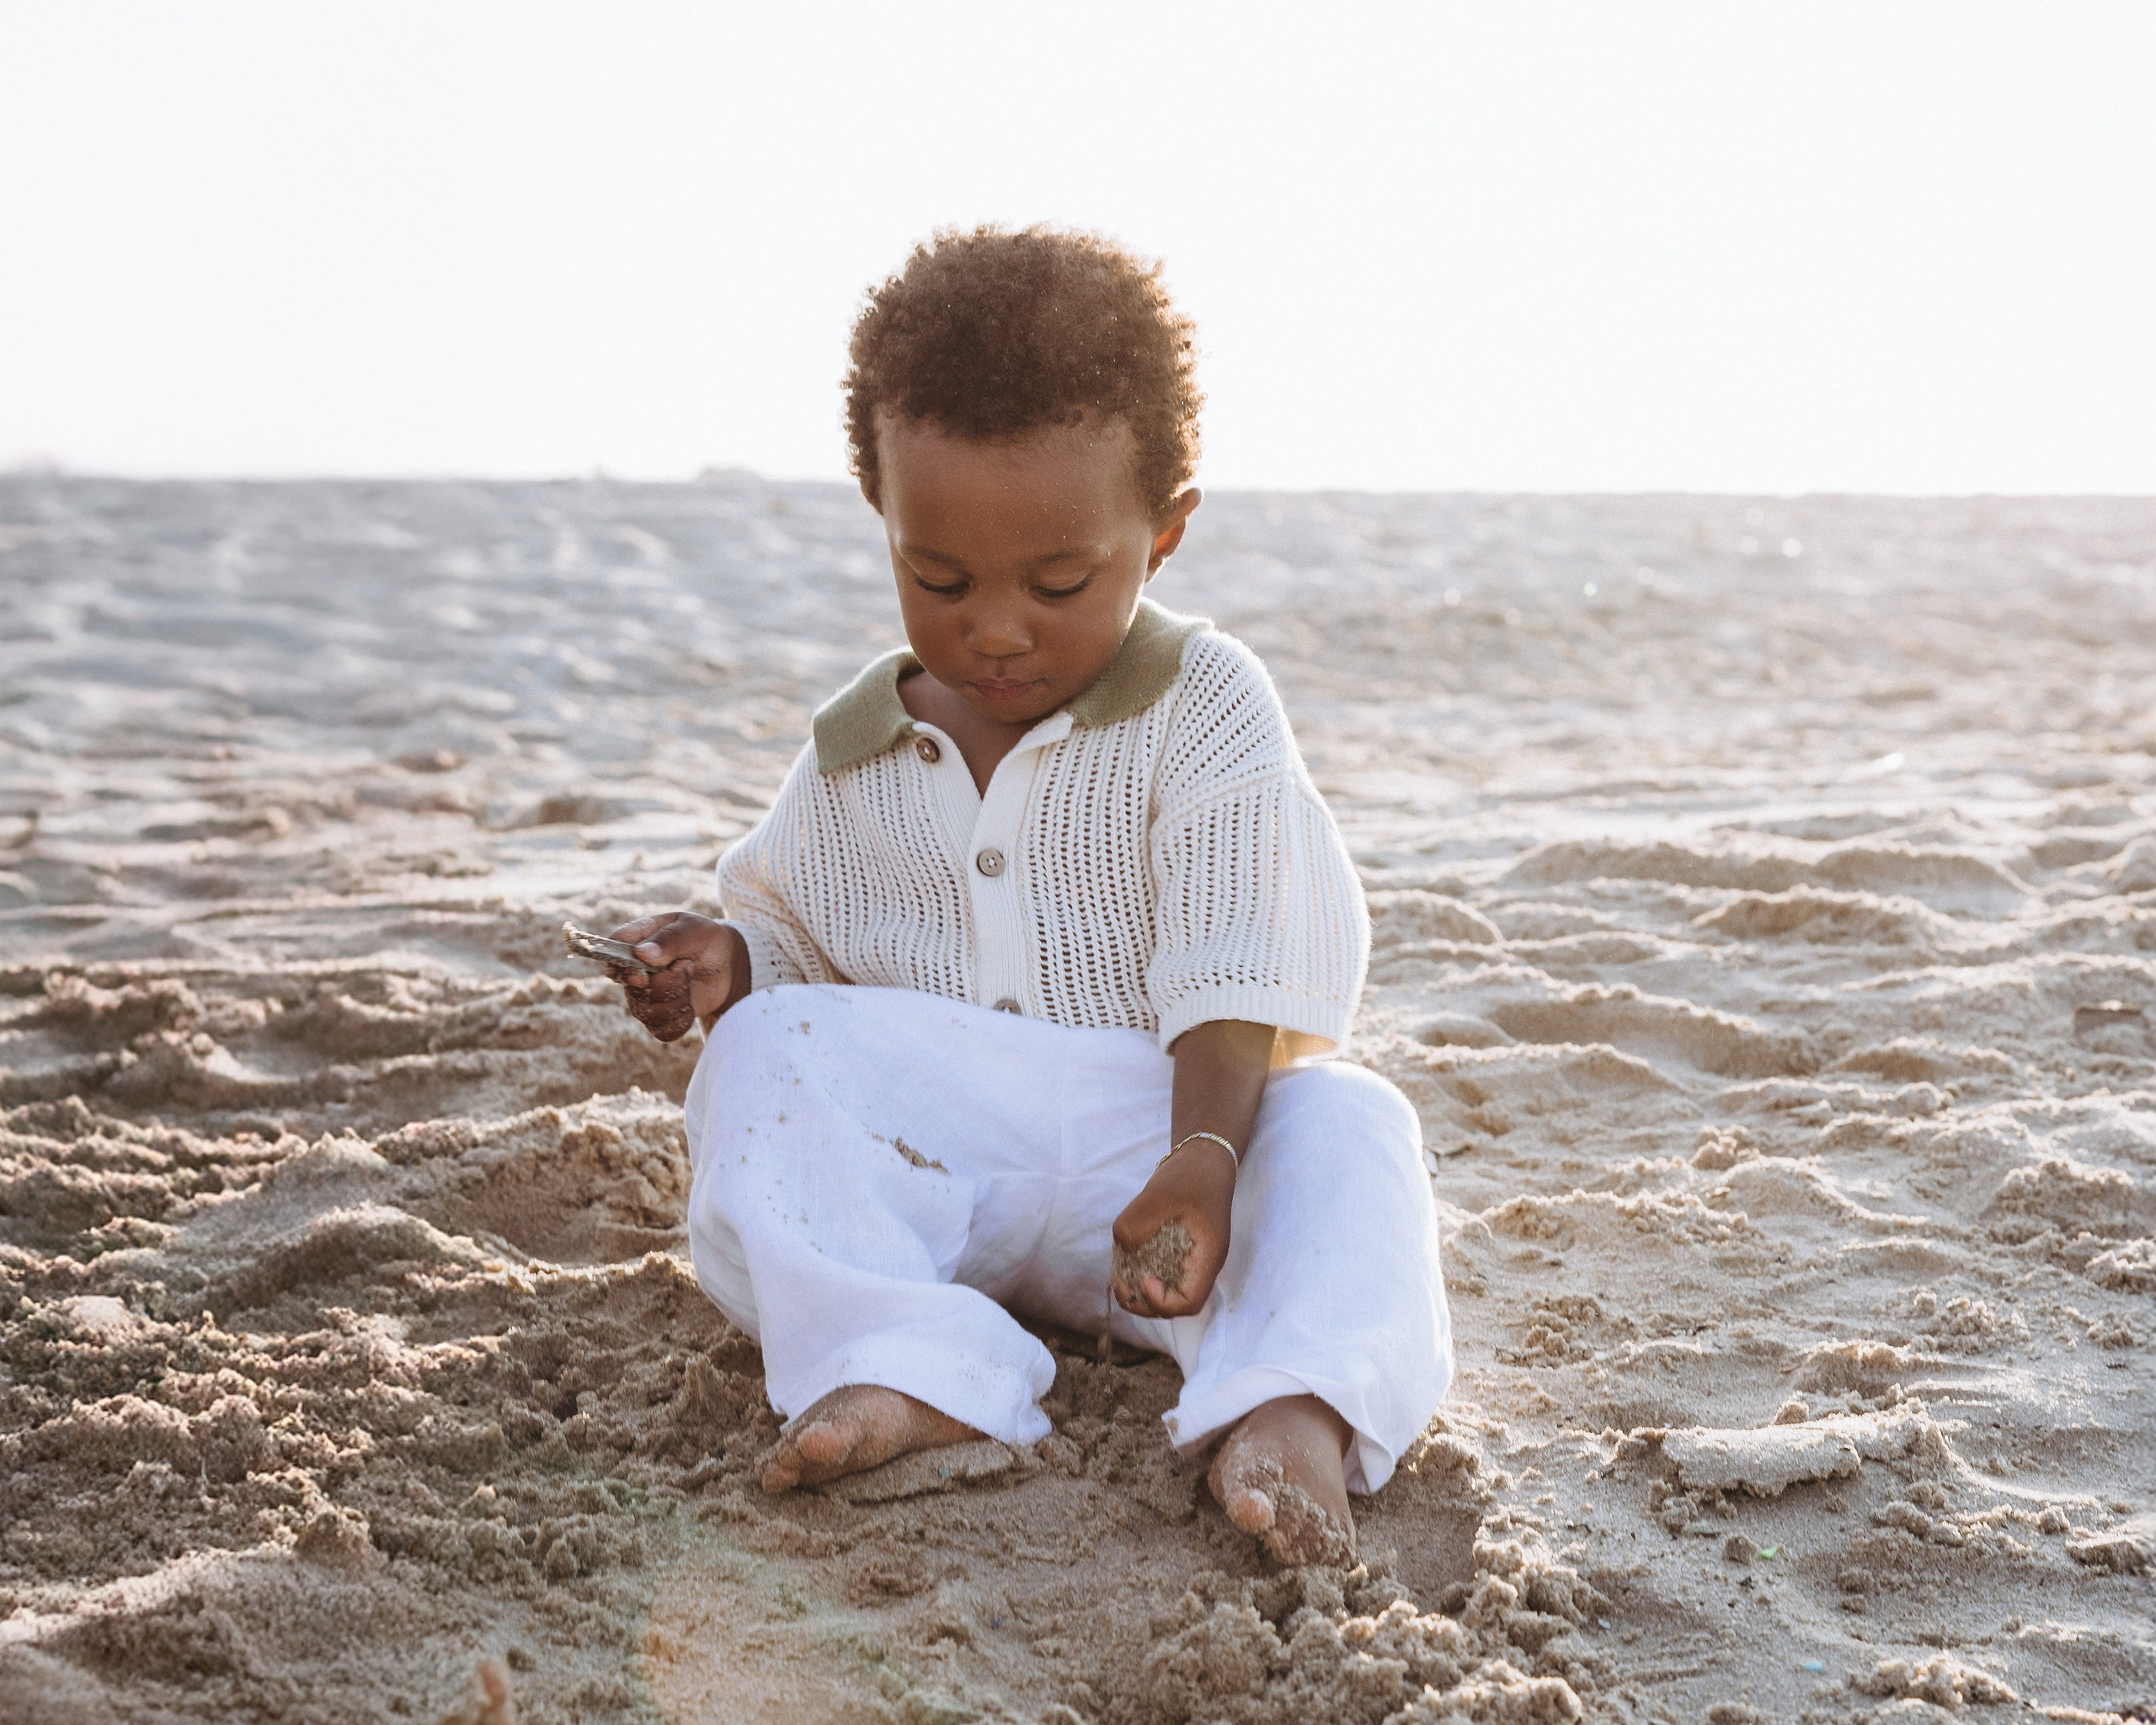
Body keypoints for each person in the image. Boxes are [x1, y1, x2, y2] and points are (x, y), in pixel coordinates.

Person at [606, 225, 1450, 1566]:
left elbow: (1245, 957)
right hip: (957, 1169)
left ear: (1163, 535)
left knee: (1355, 1132)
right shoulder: (852, 754)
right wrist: (726, 964)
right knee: (760, 1062)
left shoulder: (1206, 704)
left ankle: (1289, 1407)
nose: (995, 627)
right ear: (881, 516)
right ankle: (911, 1360)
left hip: (1168, 1135)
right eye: (939, 580)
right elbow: (798, 940)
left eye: (1059, 584)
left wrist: (1209, 1155)